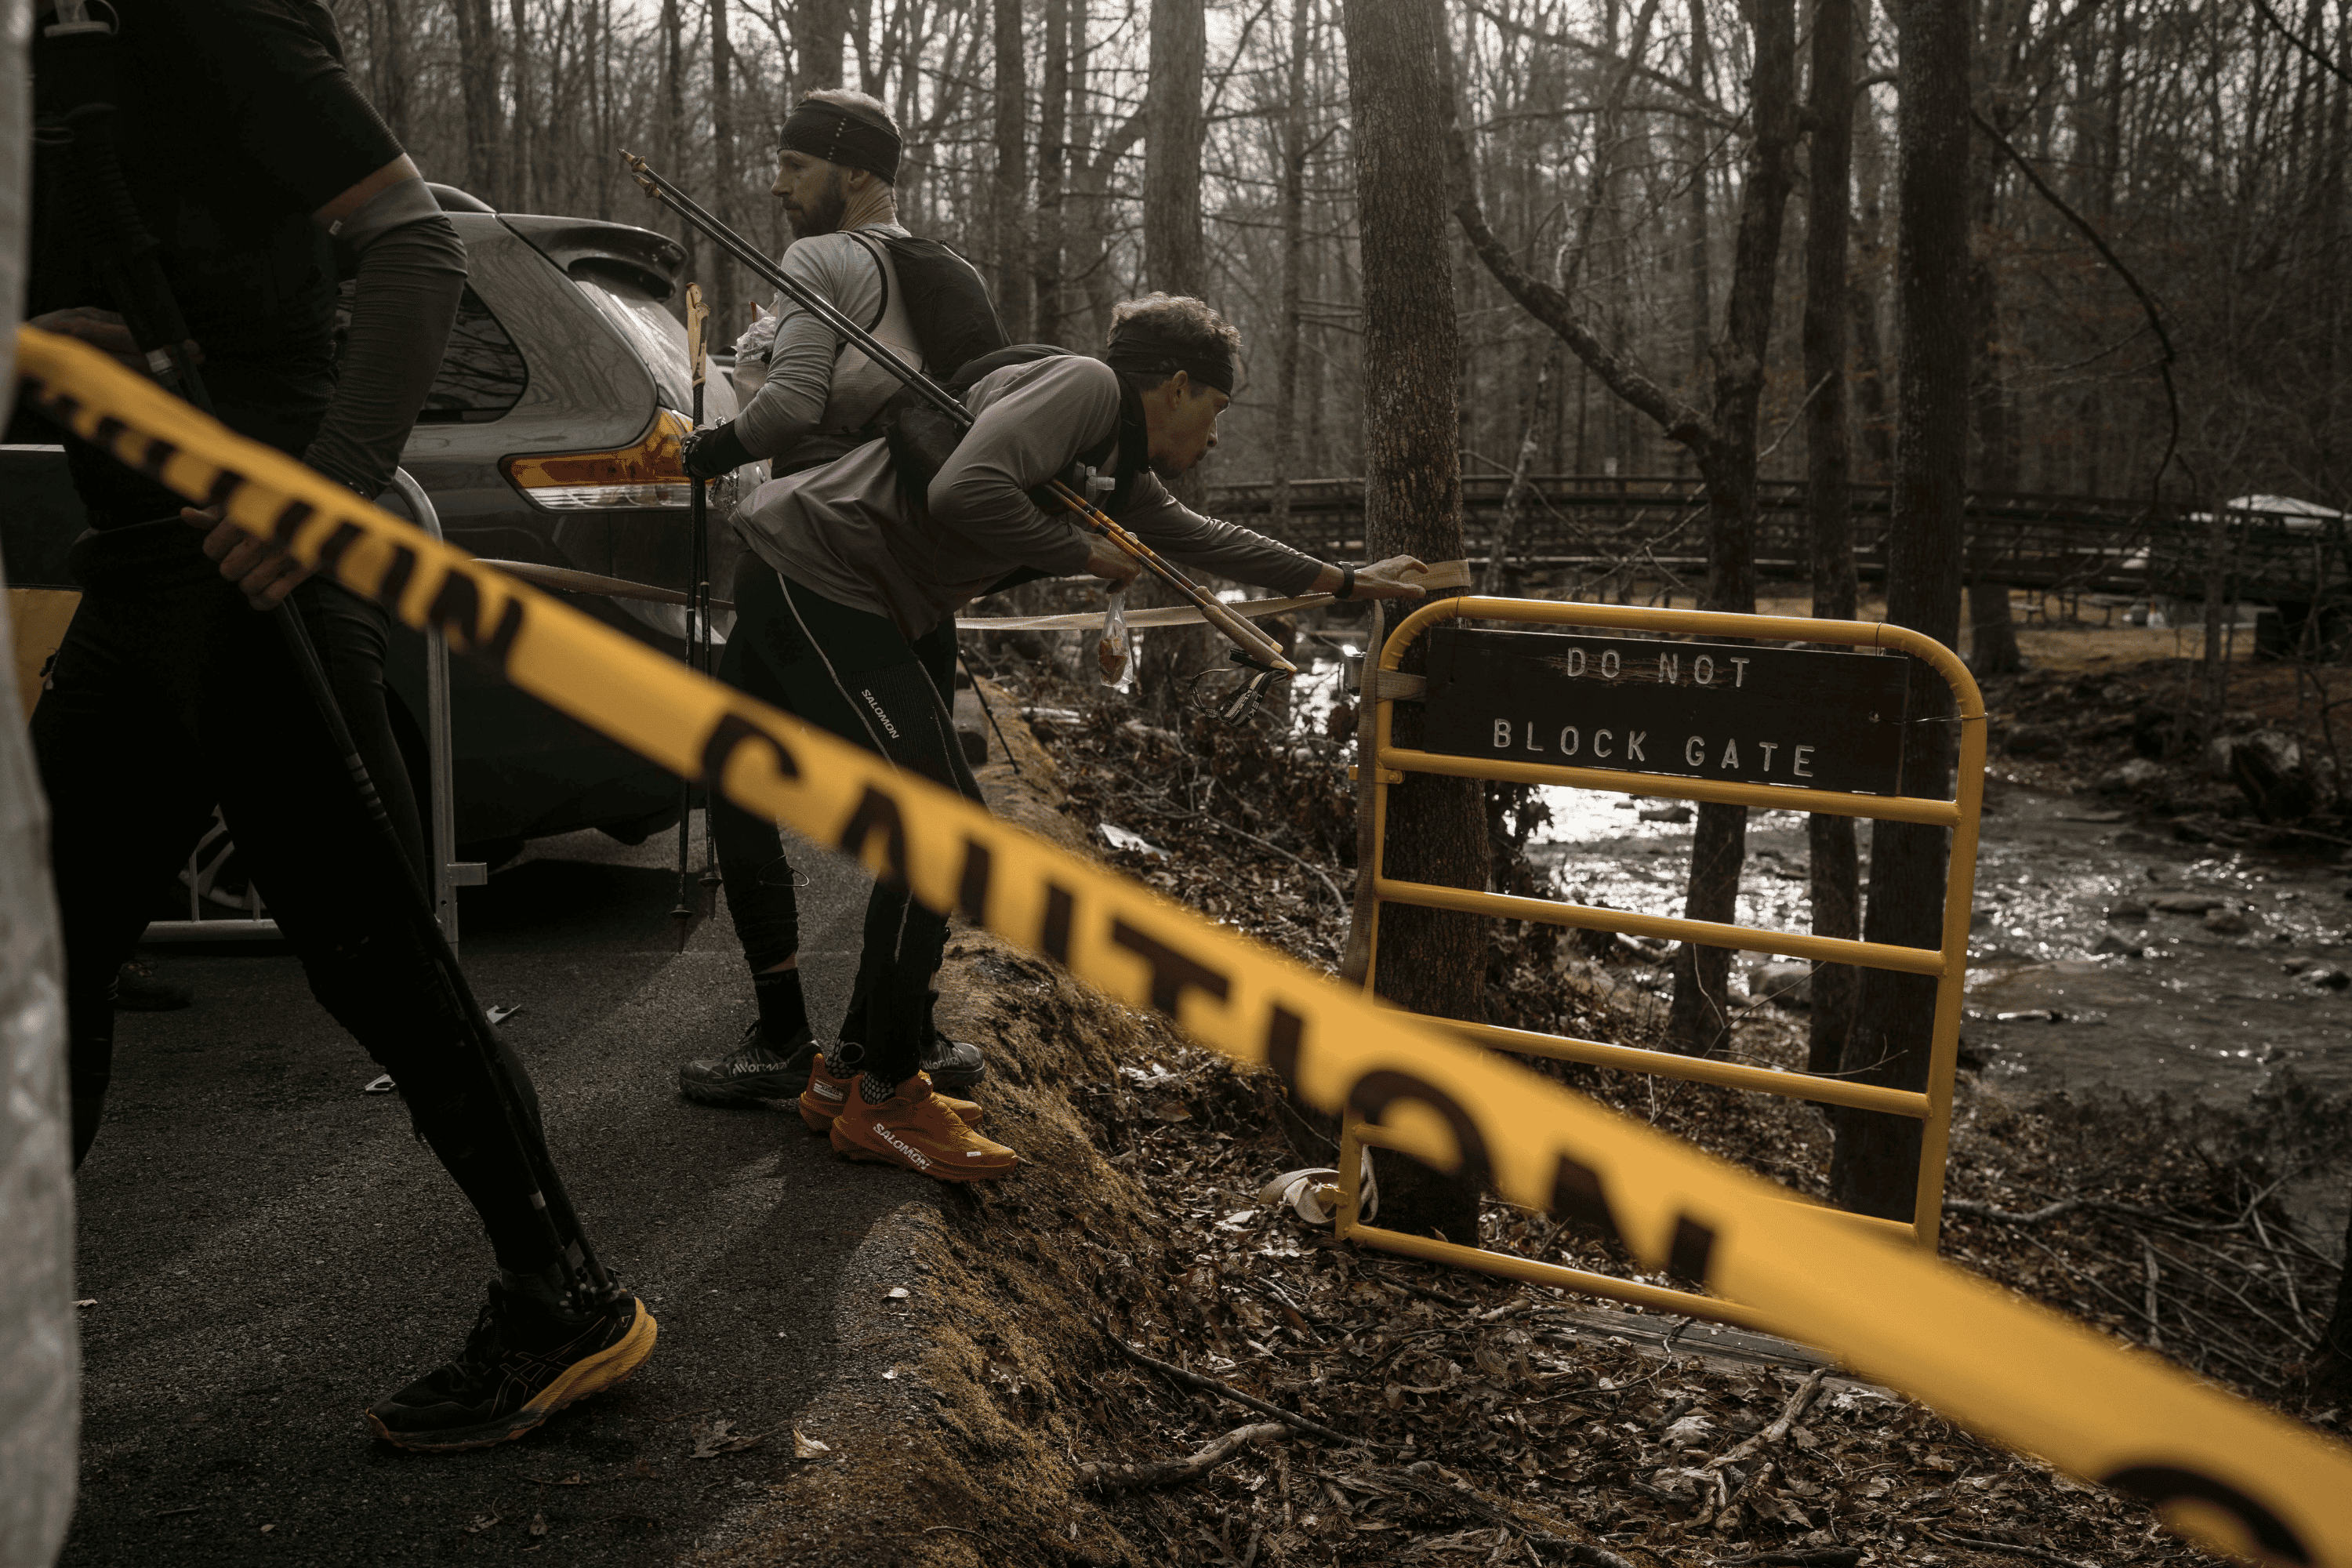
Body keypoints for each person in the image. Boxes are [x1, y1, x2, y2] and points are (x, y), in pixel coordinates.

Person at [24, 0, 653, 1450]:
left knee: (379, 961)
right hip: (136, 579)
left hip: (256, 580)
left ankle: (564, 1296)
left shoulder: (213, 21)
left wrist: (330, 487)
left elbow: (414, 241)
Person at [720, 292, 1432, 1179]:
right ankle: (887, 1097)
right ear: (1176, 386)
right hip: (818, 572)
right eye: (1216, 407)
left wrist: (1347, 580)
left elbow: (1198, 536)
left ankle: (854, 1071)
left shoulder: (1112, 461)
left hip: (839, 584)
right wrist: (1079, 552)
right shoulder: (1088, 388)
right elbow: (961, 485)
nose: (1215, 434)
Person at [671, 88, 1003, 1116]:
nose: (775, 185)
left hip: (810, 548)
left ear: (855, 172)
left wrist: (708, 450)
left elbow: (788, 411)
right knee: (916, 793)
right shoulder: (952, 277)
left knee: (738, 778)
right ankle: (890, 1028)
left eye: (796, 166)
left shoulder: (820, 262)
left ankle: (789, 1042)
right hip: (912, 558)